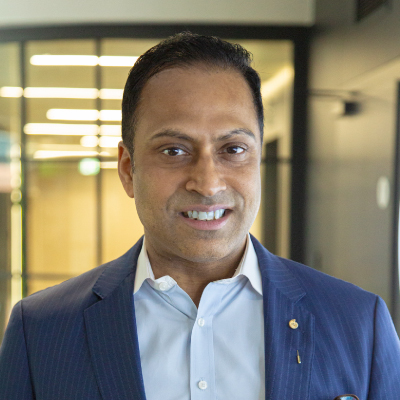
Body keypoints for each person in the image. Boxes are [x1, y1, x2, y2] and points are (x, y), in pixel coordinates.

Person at [0, 32, 399, 400]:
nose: (207, 184)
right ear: (128, 168)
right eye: (174, 150)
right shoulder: (41, 331)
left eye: (233, 149)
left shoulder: (358, 323)